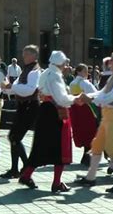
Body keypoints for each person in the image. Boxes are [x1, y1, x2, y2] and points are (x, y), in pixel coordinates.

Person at [18, 51, 79, 192]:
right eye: (65, 63)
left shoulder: (45, 73)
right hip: (55, 112)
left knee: (41, 145)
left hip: (45, 110)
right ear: (61, 63)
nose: (66, 66)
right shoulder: (56, 76)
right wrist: (75, 98)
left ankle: (26, 175)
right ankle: (56, 182)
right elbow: (61, 98)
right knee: (59, 147)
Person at [75, 50, 113, 194]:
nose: (109, 62)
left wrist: (91, 99)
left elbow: (112, 97)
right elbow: (103, 93)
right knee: (97, 145)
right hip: (108, 114)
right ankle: (91, 177)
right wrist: (88, 96)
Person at [0, 45, 41, 179]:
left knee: (15, 137)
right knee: (13, 137)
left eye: (25, 55)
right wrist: (6, 87)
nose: (23, 57)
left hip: (30, 106)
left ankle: (23, 167)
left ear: (33, 56)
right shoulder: (27, 69)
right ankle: (18, 168)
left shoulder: (35, 71)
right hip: (24, 106)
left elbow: (30, 89)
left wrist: (11, 86)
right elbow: (16, 87)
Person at [69, 63, 99, 166]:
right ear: (79, 72)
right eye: (85, 71)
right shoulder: (85, 83)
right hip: (86, 109)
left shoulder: (72, 83)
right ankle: (87, 157)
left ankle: (85, 156)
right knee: (90, 132)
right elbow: (95, 94)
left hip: (76, 110)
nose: (87, 73)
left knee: (82, 131)